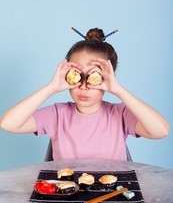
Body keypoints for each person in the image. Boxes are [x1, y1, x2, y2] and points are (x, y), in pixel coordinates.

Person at [0, 28, 170, 161]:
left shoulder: (120, 115)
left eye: (94, 77)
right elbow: (9, 124)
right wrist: (51, 87)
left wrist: (118, 90)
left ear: (107, 78)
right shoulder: (58, 115)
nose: (83, 86)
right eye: (76, 75)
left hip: (111, 200)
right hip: (68, 195)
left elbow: (160, 131)